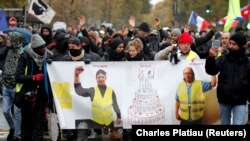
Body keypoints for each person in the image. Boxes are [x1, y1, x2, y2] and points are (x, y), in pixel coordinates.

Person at [205, 33, 250, 125]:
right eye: (230, 43)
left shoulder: (247, 61)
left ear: (241, 46)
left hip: (240, 100)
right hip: (224, 99)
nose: (231, 46)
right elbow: (212, 71)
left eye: (234, 44)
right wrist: (211, 58)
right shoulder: (223, 59)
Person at [15, 33, 51, 140]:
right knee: (27, 123)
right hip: (28, 97)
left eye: (44, 47)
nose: (44, 50)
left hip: (41, 96)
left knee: (39, 122)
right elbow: (18, 76)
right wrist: (33, 77)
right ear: (34, 49)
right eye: (41, 48)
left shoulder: (46, 56)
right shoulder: (25, 57)